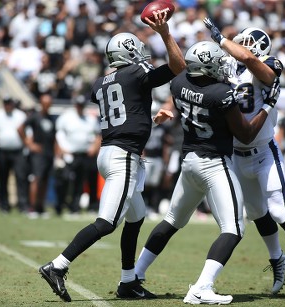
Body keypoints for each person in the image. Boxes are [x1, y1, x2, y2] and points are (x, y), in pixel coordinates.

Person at [38, 10, 185, 302]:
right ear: (131, 51)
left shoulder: (100, 83)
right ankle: (57, 265)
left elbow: (125, 105)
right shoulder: (136, 72)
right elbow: (178, 66)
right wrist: (165, 34)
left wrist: (146, 120)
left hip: (109, 152)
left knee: (137, 216)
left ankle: (128, 281)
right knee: (107, 222)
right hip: (124, 157)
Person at [135, 40, 278, 305]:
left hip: (188, 160)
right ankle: (202, 287)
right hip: (214, 163)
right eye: (217, 61)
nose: (224, 65)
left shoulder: (178, 83)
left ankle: (134, 274)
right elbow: (245, 135)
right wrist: (268, 105)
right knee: (234, 228)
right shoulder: (220, 93)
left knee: (171, 220)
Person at [204, 18, 285, 295]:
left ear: (257, 44)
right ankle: (278, 259)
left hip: (264, 153)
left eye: (244, 42)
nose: (238, 47)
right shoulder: (231, 68)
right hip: (237, 153)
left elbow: (254, 64)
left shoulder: (269, 63)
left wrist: (222, 40)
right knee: (257, 214)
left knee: (280, 211)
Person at [54, 95, 101, 215]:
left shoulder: (90, 118)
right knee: (65, 181)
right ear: (75, 105)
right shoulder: (66, 117)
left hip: (85, 154)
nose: (80, 107)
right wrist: (60, 153)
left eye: (82, 105)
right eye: (78, 105)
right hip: (69, 154)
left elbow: (97, 135)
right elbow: (58, 136)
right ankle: (60, 205)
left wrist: (94, 148)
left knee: (81, 182)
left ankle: (75, 207)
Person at [18, 93, 56, 218]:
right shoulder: (35, 117)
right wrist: (29, 144)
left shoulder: (51, 118)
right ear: (41, 104)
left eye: (49, 104)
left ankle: (40, 207)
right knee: (36, 179)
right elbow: (20, 128)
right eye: (45, 103)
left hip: (49, 153)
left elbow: (53, 137)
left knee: (45, 181)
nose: (47, 106)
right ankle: (32, 207)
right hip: (38, 154)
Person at [0, 97, 29, 213]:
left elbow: (26, 132)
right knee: (3, 178)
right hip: (2, 150)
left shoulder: (21, 115)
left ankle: (22, 204)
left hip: (17, 151)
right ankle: (4, 205)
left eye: (9, 103)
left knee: (21, 177)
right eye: (6, 103)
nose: (8, 105)